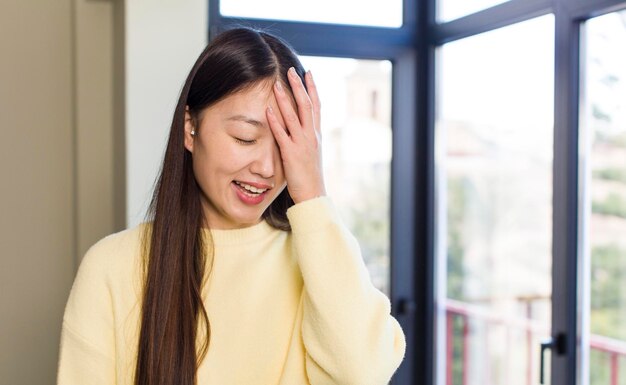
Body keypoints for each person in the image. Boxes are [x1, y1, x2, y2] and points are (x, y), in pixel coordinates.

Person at [57, 27, 406, 385]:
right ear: (190, 128)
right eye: (246, 138)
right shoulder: (112, 268)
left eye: (286, 144)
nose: (267, 168)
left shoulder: (320, 264)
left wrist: (314, 195)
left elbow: (362, 374)